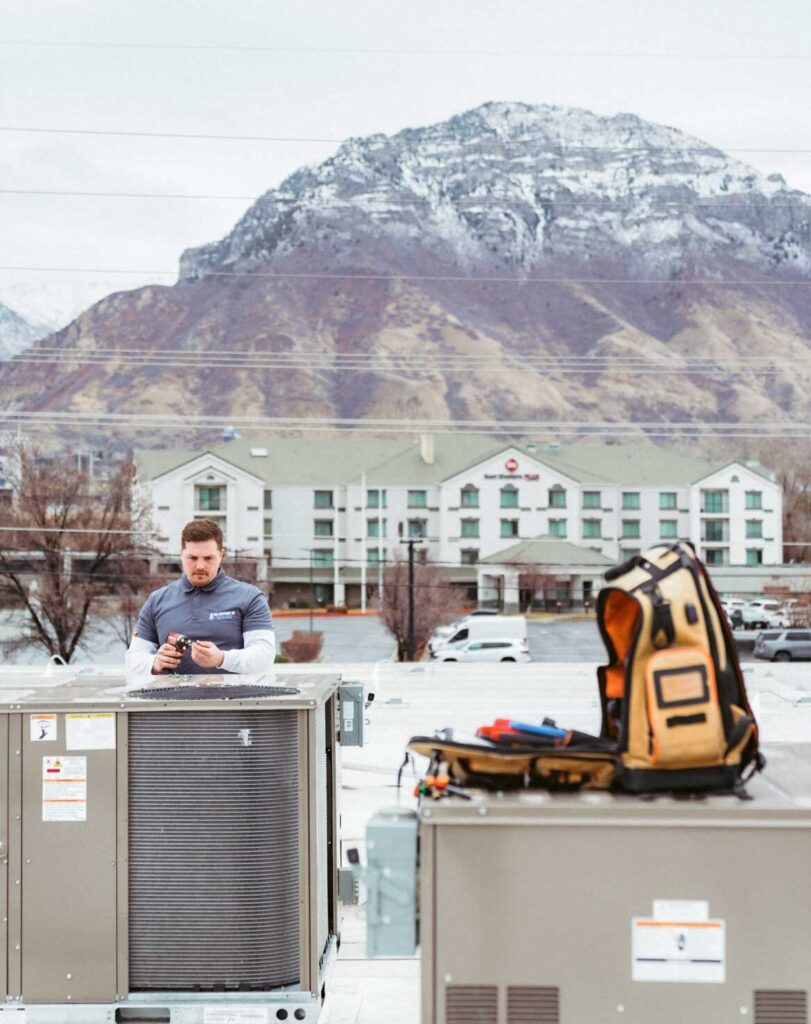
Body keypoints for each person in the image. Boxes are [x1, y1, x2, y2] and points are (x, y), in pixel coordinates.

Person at [126, 519, 276, 678]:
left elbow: (264, 655)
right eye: (192, 558)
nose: (200, 566)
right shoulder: (157, 601)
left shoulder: (250, 597)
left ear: (221, 554)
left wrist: (221, 659)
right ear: (181, 554)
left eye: (208, 558)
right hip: (171, 701)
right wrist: (155, 663)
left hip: (232, 701)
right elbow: (133, 659)